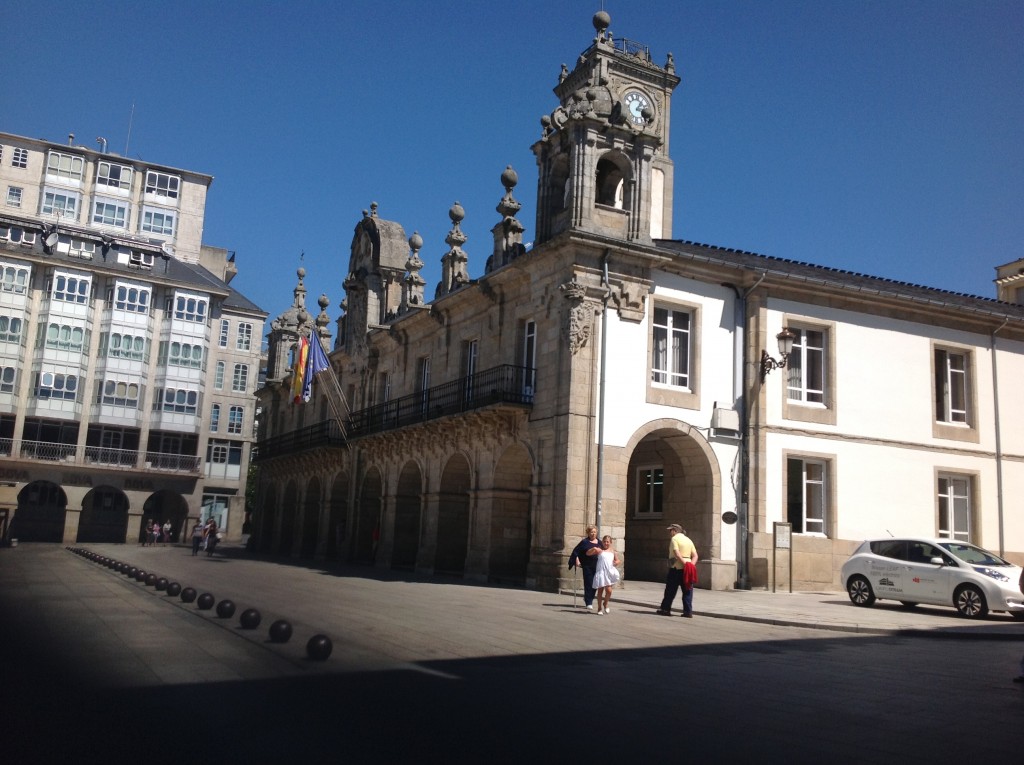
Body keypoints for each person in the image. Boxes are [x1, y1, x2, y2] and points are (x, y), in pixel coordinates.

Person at [657, 524, 698, 618]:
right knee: (687, 590)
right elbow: (695, 555)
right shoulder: (689, 540)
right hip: (687, 568)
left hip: (676, 568)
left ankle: (665, 609)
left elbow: (677, 553)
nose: (669, 533)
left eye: (670, 530)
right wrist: (690, 565)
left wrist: (684, 563)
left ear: (674, 530)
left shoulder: (674, 539)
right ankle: (688, 612)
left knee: (670, 590)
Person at [568, 525, 602, 611]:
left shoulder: (599, 542)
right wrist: (576, 560)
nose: (593, 534)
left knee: (596, 584)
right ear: (588, 533)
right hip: (587, 566)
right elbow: (576, 552)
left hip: (597, 566)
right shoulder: (584, 542)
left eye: (594, 532)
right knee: (588, 583)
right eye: (591, 532)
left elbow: (605, 551)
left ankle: (589, 597)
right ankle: (589, 602)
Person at [589, 535, 621, 615]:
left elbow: (617, 560)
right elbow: (588, 553)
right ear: (602, 542)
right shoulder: (600, 550)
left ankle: (605, 603)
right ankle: (599, 608)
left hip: (608, 572)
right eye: (604, 541)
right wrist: (593, 549)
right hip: (601, 572)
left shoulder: (613, 551)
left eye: (607, 542)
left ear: (610, 543)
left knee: (609, 591)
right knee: (600, 590)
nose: (606, 543)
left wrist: (616, 562)